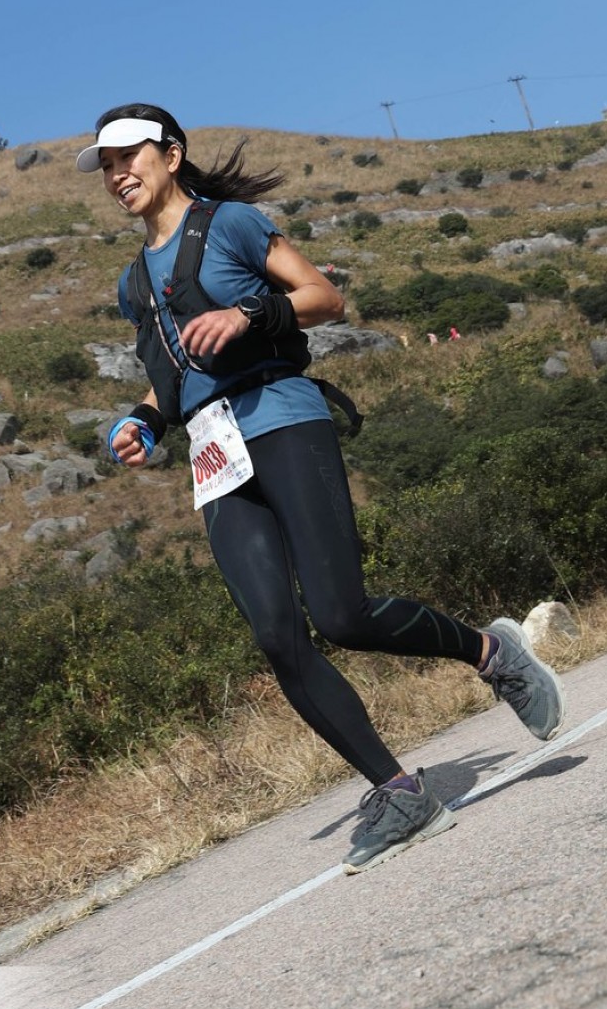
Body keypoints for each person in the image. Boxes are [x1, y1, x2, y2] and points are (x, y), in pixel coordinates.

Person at [77, 104, 566, 874]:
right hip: (215, 455)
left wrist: (246, 314)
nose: (116, 175)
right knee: (278, 636)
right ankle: (400, 792)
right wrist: (139, 423)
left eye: (127, 157)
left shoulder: (231, 225)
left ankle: (491, 652)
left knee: (342, 614)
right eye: (106, 166)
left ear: (170, 155)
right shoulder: (132, 283)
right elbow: (168, 382)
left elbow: (323, 298)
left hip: (282, 418)